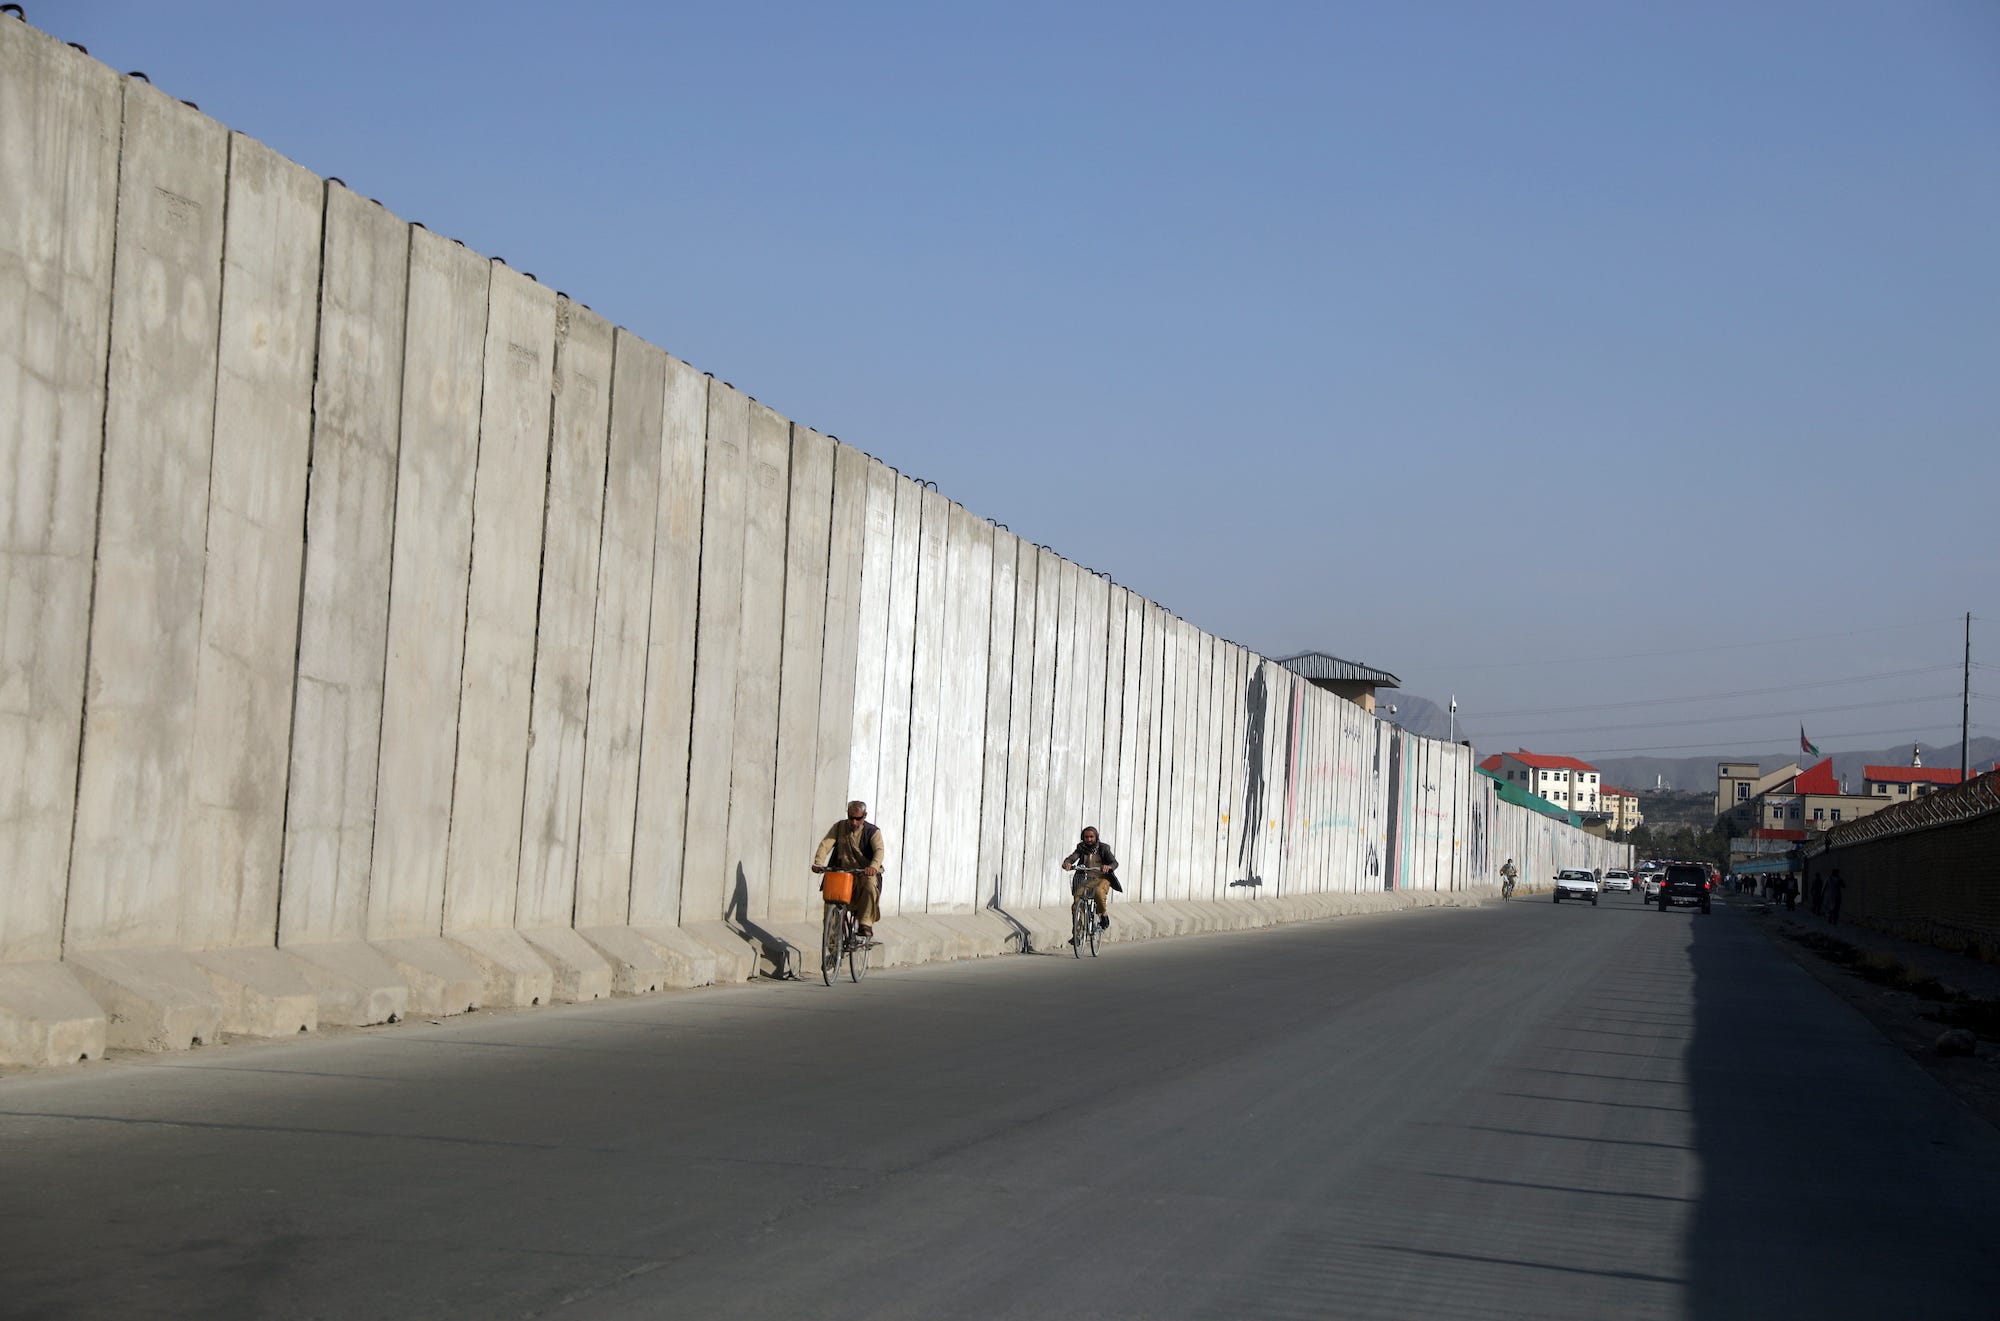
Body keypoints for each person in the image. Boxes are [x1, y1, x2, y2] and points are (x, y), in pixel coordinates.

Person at [811, 800, 887, 938]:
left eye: (858, 819)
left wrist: (873, 867)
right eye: (851, 818)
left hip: (864, 873)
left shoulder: (872, 832)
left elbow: (879, 851)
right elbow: (826, 844)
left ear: (865, 816)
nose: (854, 822)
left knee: (870, 885)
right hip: (842, 873)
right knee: (830, 900)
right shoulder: (839, 827)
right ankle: (833, 942)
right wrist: (818, 862)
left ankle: (865, 923)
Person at [1061, 827, 1119, 931]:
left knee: (1098, 892)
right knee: (1076, 904)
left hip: (1102, 878)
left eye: (1091, 837)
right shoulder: (1081, 848)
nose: (1089, 839)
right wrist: (1067, 863)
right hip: (1086, 879)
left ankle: (1103, 913)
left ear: (1096, 837)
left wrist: (1108, 867)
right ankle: (1077, 931)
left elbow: (1114, 863)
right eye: (1086, 837)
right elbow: (1073, 857)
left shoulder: (1104, 848)